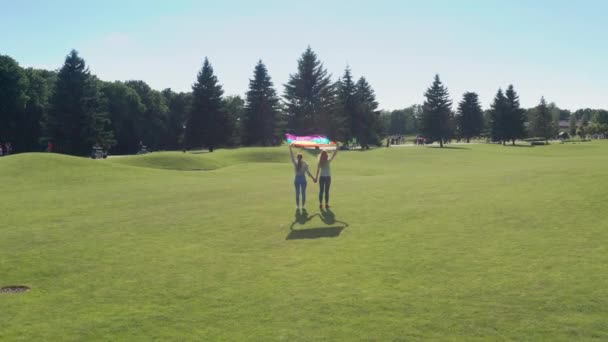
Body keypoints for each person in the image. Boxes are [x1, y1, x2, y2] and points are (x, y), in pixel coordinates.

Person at [289, 145, 316, 209]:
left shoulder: (295, 162)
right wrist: (313, 178)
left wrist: (290, 148)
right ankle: (303, 206)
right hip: (303, 178)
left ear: (297, 157)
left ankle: (297, 206)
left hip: (297, 178)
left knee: (297, 193)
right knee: (303, 193)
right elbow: (308, 172)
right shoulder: (305, 163)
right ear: (302, 157)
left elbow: (292, 156)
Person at [314, 145, 338, 209]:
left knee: (321, 191)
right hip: (328, 177)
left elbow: (318, 170)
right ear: (326, 155)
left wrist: (316, 178)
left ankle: (320, 204)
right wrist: (337, 147)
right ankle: (326, 204)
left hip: (321, 177)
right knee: (327, 191)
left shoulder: (320, 162)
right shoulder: (328, 161)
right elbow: (334, 154)